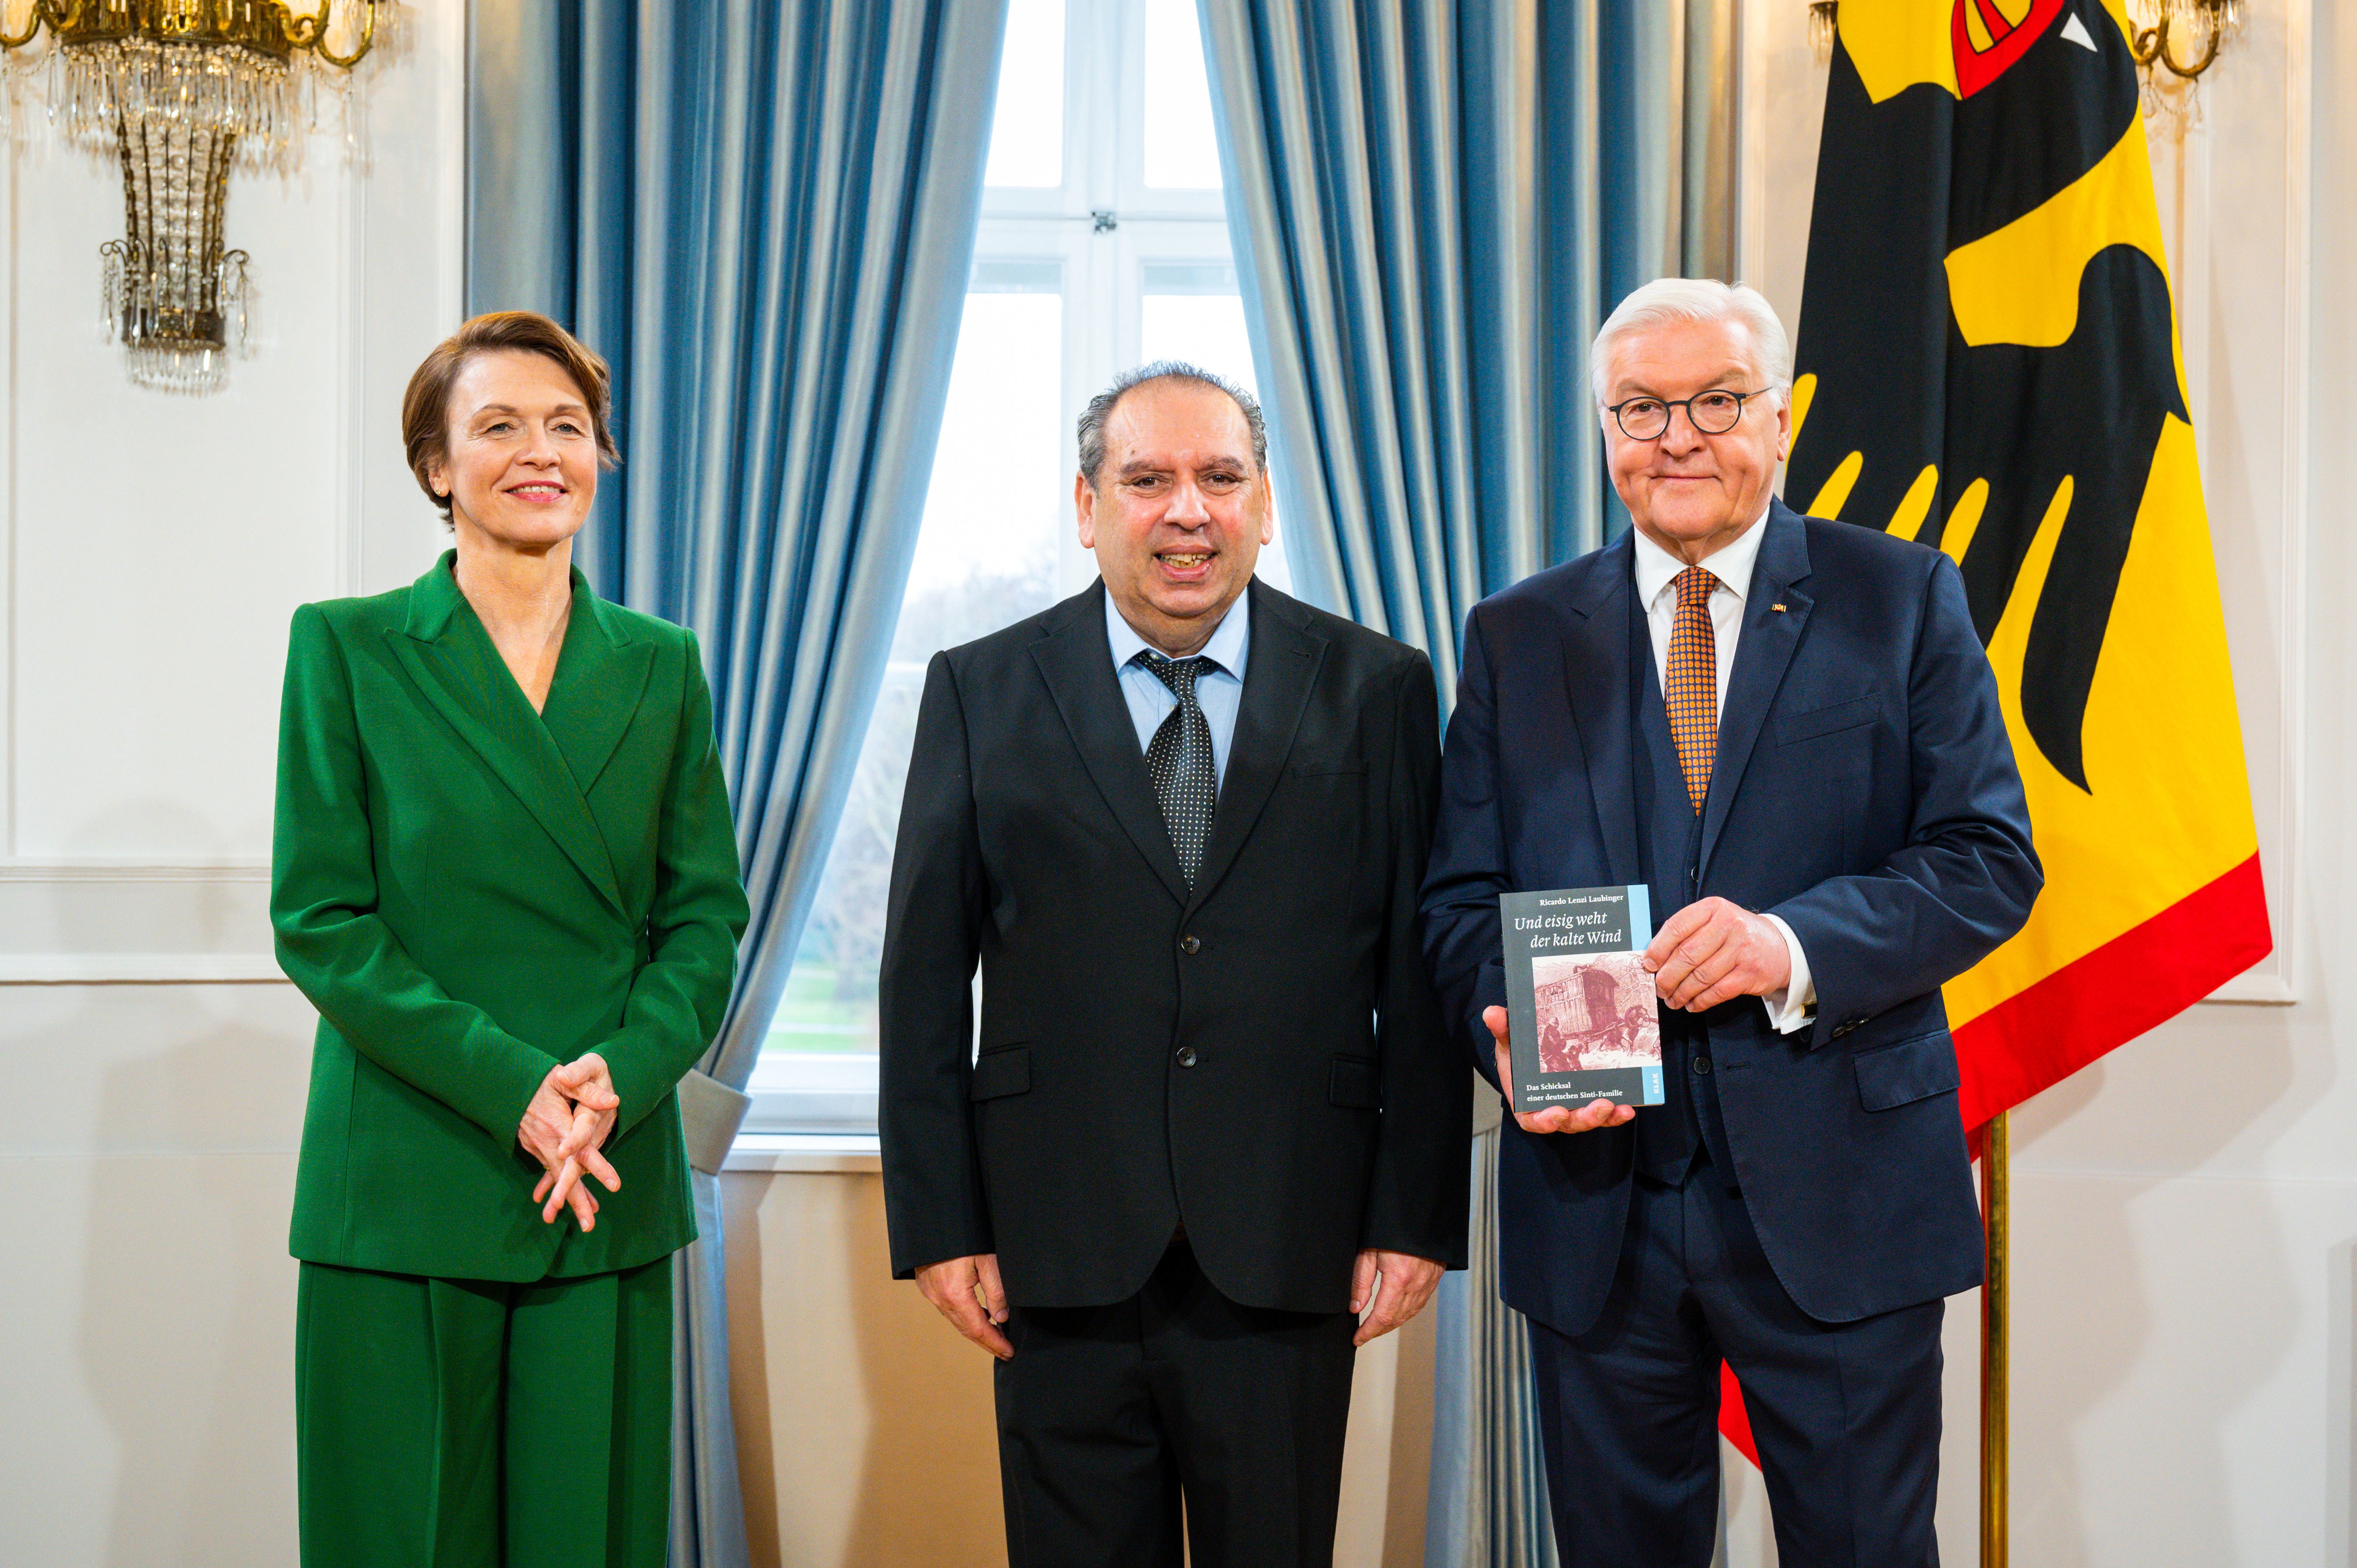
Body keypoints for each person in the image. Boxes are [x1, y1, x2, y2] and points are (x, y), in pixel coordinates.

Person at [1419, 279, 2041, 1565]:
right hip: (1598, 1203)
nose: (1678, 435)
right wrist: (1509, 1036)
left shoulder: (1902, 598)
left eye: (1714, 400)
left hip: (1845, 1195)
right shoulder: (1516, 634)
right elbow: (1459, 902)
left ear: (1781, 417)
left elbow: (1988, 860)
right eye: (1640, 408)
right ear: (1605, 431)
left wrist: (1790, 948)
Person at [880, 362, 1470, 1568]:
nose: (1186, 509)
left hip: (1293, 1242)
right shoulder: (978, 689)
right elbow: (922, 982)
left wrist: (1412, 1215)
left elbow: (1419, 981)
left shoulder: (1381, 690)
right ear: (1089, 507)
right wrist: (941, 1224)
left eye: (1219, 477)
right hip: (1057, 1250)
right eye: (1146, 479)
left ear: (1266, 504)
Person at [272, 310, 749, 1568]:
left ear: (600, 456)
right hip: (405, 1178)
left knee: (585, 1544)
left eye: (568, 427)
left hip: (600, 1176)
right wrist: (513, 1088)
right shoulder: (348, 646)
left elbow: (705, 919)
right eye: (498, 426)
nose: (540, 451)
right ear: (437, 465)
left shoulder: (662, 664)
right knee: (399, 1541)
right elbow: (321, 919)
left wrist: (615, 1081)